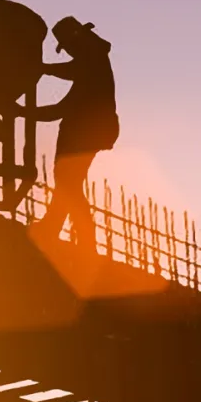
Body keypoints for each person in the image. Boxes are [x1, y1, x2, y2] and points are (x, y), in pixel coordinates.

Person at [29, 16, 119, 249]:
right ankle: (55, 227)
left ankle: (83, 237)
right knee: (68, 182)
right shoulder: (93, 62)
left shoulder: (93, 61)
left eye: (69, 46)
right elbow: (72, 74)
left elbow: (62, 106)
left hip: (85, 133)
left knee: (68, 181)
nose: (68, 51)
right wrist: (45, 70)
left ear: (76, 40)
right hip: (88, 132)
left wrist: (43, 70)